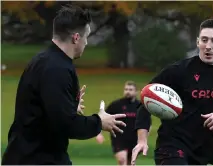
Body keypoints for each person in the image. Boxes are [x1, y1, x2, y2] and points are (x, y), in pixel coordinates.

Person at [1, 4, 126, 165]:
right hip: (37, 159)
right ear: (75, 38)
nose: (86, 42)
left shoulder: (44, 60)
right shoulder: (56, 69)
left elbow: (47, 113)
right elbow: (65, 125)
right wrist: (99, 122)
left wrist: (68, 106)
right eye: (85, 37)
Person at [131, 19, 213, 165]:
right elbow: (145, 99)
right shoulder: (178, 71)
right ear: (198, 42)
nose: (208, 46)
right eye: (204, 40)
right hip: (172, 146)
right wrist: (142, 139)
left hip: (203, 153)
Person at [96, 81, 145, 165]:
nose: (128, 91)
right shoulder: (116, 105)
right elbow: (102, 118)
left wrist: (143, 140)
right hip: (119, 139)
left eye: (130, 89)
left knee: (131, 163)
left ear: (136, 92)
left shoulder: (140, 106)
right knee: (122, 160)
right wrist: (99, 133)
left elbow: (147, 124)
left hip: (134, 140)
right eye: (126, 89)